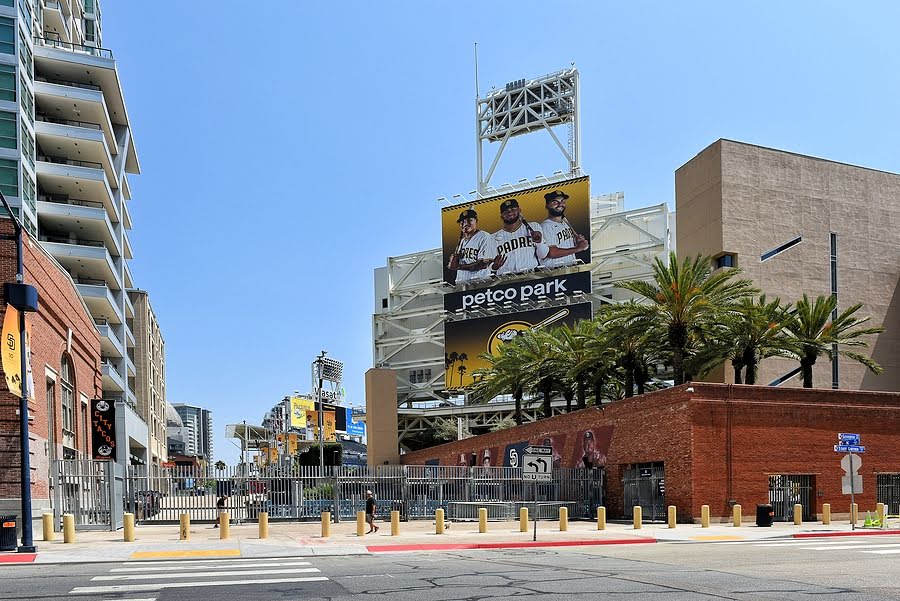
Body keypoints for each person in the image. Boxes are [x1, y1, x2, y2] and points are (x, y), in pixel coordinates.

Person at [491, 198, 548, 276]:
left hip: (531, 275)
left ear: (519, 210)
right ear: (501, 216)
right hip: (505, 279)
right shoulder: (493, 238)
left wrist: (539, 242)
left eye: (513, 209)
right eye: (506, 211)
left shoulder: (533, 226)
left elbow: (543, 255)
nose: (510, 213)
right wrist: (494, 267)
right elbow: (488, 265)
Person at [540, 190, 589, 269]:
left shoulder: (564, 223)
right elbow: (552, 252)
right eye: (555, 202)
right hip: (554, 271)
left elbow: (566, 246)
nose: (560, 204)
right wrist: (578, 248)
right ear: (547, 206)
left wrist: (576, 242)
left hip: (569, 268)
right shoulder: (546, 226)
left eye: (562, 201)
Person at [447, 209, 495, 284]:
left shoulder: (485, 236)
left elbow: (483, 264)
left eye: (469, 220)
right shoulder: (462, 241)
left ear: (476, 220)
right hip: (462, 284)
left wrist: (458, 267)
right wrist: (454, 259)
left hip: (481, 283)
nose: (465, 224)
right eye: (462, 222)